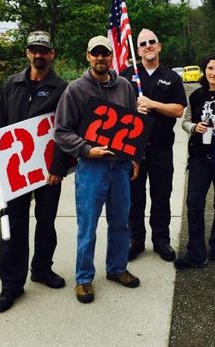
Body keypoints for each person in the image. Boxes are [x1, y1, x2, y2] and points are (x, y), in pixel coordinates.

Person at [54, 36, 140, 304]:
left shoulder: (124, 86)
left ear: (112, 56)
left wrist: (136, 157)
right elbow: (61, 131)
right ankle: (83, 278)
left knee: (120, 222)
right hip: (92, 167)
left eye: (105, 53)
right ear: (88, 56)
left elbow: (133, 125)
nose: (101, 58)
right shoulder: (75, 90)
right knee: (88, 225)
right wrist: (86, 150)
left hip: (120, 166)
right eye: (96, 54)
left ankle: (116, 268)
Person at [0, 31, 70, 313]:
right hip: (16, 170)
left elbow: (64, 129)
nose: (38, 55)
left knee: (46, 222)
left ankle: (42, 269)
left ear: (52, 54)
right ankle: (11, 285)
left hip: (48, 171)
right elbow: (0, 122)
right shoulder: (12, 83)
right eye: (33, 50)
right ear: (27, 53)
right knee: (14, 225)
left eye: (44, 50)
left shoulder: (62, 88)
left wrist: (58, 167)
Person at [121, 29, 187, 262]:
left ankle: (161, 239)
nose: (148, 46)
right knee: (134, 197)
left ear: (159, 47)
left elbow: (178, 110)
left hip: (161, 148)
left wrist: (153, 104)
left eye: (152, 42)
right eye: (143, 43)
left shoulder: (171, 77)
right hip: (133, 150)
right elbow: (116, 107)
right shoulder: (126, 75)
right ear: (137, 50)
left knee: (161, 196)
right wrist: (133, 109)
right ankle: (135, 240)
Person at [174, 53, 215, 270]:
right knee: (193, 202)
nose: (213, 73)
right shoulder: (197, 95)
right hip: (200, 155)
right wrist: (194, 128)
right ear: (204, 70)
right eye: (210, 68)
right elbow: (185, 121)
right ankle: (195, 252)